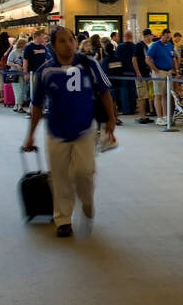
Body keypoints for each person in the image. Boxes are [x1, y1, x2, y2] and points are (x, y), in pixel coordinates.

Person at [23, 27, 116, 238]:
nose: (69, 44)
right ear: (53, 46)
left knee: (84, 172)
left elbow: (104, 92)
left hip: (84, 129)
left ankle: (87, 200)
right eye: (63, 41)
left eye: (71, 40)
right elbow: (37, 105)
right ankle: (63, 219)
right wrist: (30, 135)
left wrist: (111, 119)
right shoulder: (45, 71)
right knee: (60, 177)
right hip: (56, 131)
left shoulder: (89, 64)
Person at [146, 28, 176, 124]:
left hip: (168, 72)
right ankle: (159, 117)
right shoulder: (155, 45)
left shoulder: (170, 46)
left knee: (166, 95)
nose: (167, 39)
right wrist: (155, 70)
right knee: (158, 94)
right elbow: (148, 59)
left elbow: (173, 58)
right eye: (166, 37)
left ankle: (166, 116)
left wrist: (175, 70)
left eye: (169, 38)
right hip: (159, 72)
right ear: (162, 35)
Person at [7, 36, 28, 112]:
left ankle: (17, 105)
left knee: (21, 89)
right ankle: (19, 105)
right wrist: (16, 65)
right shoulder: (13, 52)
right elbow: (8, 62)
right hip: (14, 73)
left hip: (22, 73)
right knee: (18, 89)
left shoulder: (24, 52)